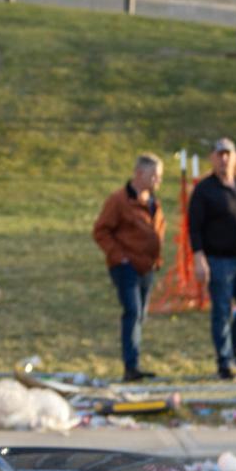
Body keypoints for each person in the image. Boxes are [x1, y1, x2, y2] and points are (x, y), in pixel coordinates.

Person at [188, 138, 236, 379]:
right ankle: (224, 360)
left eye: (228, 154)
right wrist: (199, 257)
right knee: (221, 310)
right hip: (218, 259)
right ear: (212, 158)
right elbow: (195, 226)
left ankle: (233, 348)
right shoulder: (204, 189)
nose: (224, 159)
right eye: (219, 155)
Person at [93, 154, 167, 383]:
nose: (157, 180)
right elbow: (101, 231)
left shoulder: (154, 202)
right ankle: (130, 366)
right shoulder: (119, 200)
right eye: (153, 175)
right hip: (126, 267)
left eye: (160, 176)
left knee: (140, 314)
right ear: (138, 174)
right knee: (133, 311)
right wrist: (120, 257)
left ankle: (134, 362)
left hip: (148, 266)